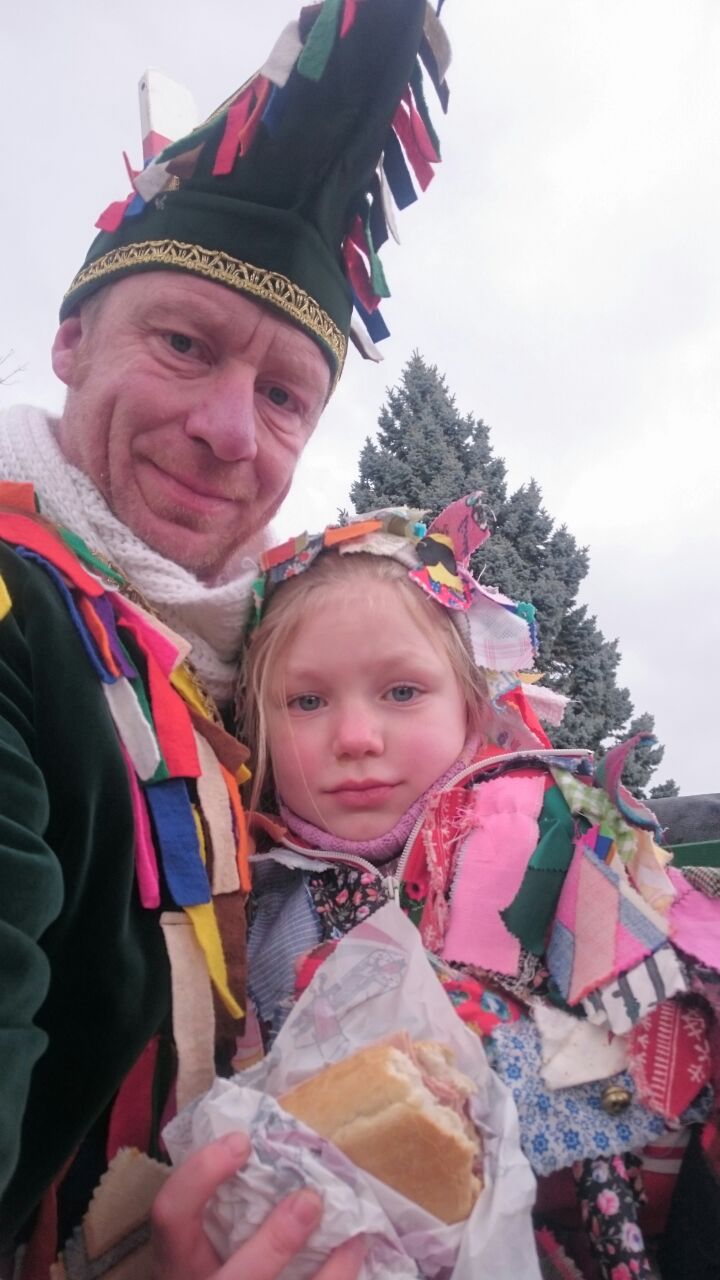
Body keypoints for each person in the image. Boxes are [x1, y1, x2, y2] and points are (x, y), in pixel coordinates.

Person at [0, 2, 452, 1275]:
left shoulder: (275, 680)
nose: (229, 431)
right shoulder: (17, 614)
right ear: (71, 343)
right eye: (184, 344)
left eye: (284, 395)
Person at [238, 495, 720, 1279]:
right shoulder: (253, 902)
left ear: (472, 705)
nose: (356, 737)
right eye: (307, 701)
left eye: (401, 692)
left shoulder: (553, 829)